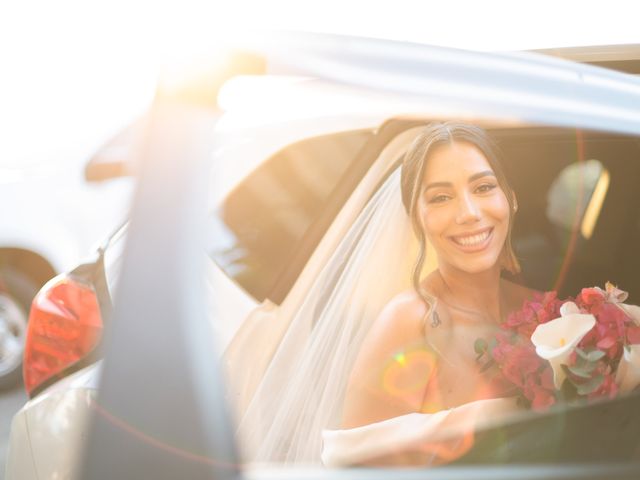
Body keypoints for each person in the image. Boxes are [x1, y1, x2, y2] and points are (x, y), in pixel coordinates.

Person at [230, 122, 531, 467]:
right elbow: (362, 470)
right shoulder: (409, 324)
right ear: (417, 219)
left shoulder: (549, 312)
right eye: (441, 197)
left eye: (483, 187)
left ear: (511, 197)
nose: (469, 213)